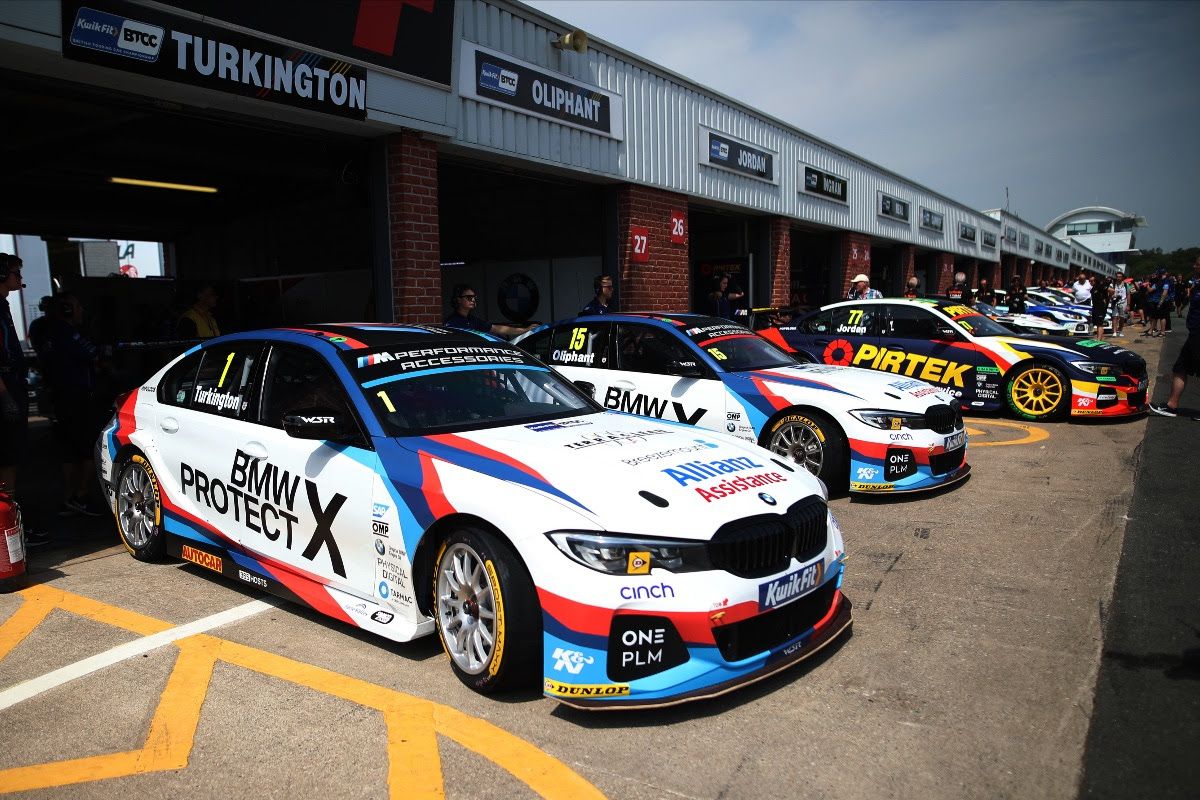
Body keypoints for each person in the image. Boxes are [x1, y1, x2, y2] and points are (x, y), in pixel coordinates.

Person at [41, 292, 106, 516]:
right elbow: (94, 356)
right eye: (78, 306)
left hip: (62, 398)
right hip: (77, 399)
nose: (82, 311)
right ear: (67, 310)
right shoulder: (69, 334)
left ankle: (69, 498)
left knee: (68, 450)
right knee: (88, 447)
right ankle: (81, 496)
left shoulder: (50, 334)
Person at [0, 254, 48, 546]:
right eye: (16, 273)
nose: (20, 278)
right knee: (7, 460)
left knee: (11, 459)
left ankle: (9, 524)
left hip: (11, 387)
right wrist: (6, 396)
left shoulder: (3, 306)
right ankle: (8, 529)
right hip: (4, 392)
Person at [1150, 258, 1200, 418]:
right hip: (1194, 333)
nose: (1194, 266)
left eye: (1197, 264)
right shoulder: (1197, 284)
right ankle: (1171, 406)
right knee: (1180, 368)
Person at [443, 284, 533, 338]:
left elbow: (498, 329)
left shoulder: (473, 320)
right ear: (459, 300)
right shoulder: (451, 322)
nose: (473, 300)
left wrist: (525, 330)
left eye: (474, 297)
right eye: (469, 297)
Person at [1143, 269, 1173, 338]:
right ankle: (1151, 331)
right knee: (1154, 316)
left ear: (1160, 274)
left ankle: (1162, 332)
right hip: (1157, 301)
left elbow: (1165, 292)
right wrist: (1147, 285)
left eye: (1157, 274)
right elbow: (1150, 290)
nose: (1156, 275)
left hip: (1163, 301)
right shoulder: (1159, 281)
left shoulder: (1166, 281)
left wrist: (1161, 302)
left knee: (1162, 317)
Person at [1090, 276, 1111, 340]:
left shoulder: (1100, 286)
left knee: (1099, 323)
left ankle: (1099, 339)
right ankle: (1099, 337)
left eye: (1091, 281)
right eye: (1089, 281)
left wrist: (1107, 300)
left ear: (1095, 281)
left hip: (1101, 307)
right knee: (1096, 323)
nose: (1090, 282)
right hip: (1095, 307)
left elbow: (1112, 290)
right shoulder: (1094, 288)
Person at [1110, 272, 1129, 338]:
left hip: (1123, 302)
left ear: (1122, 277)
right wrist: (1112, 296)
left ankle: (1120, 331)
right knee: (1114, 317)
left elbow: (1128, 294)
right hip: (1115, 302)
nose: (1118, 278)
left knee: (1122, 318)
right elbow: (1109, 293)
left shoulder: (1126, 285)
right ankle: (1114, 332)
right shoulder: (1112, 284)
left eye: (1120, 277)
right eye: (1117, 276)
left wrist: (1128, 305)